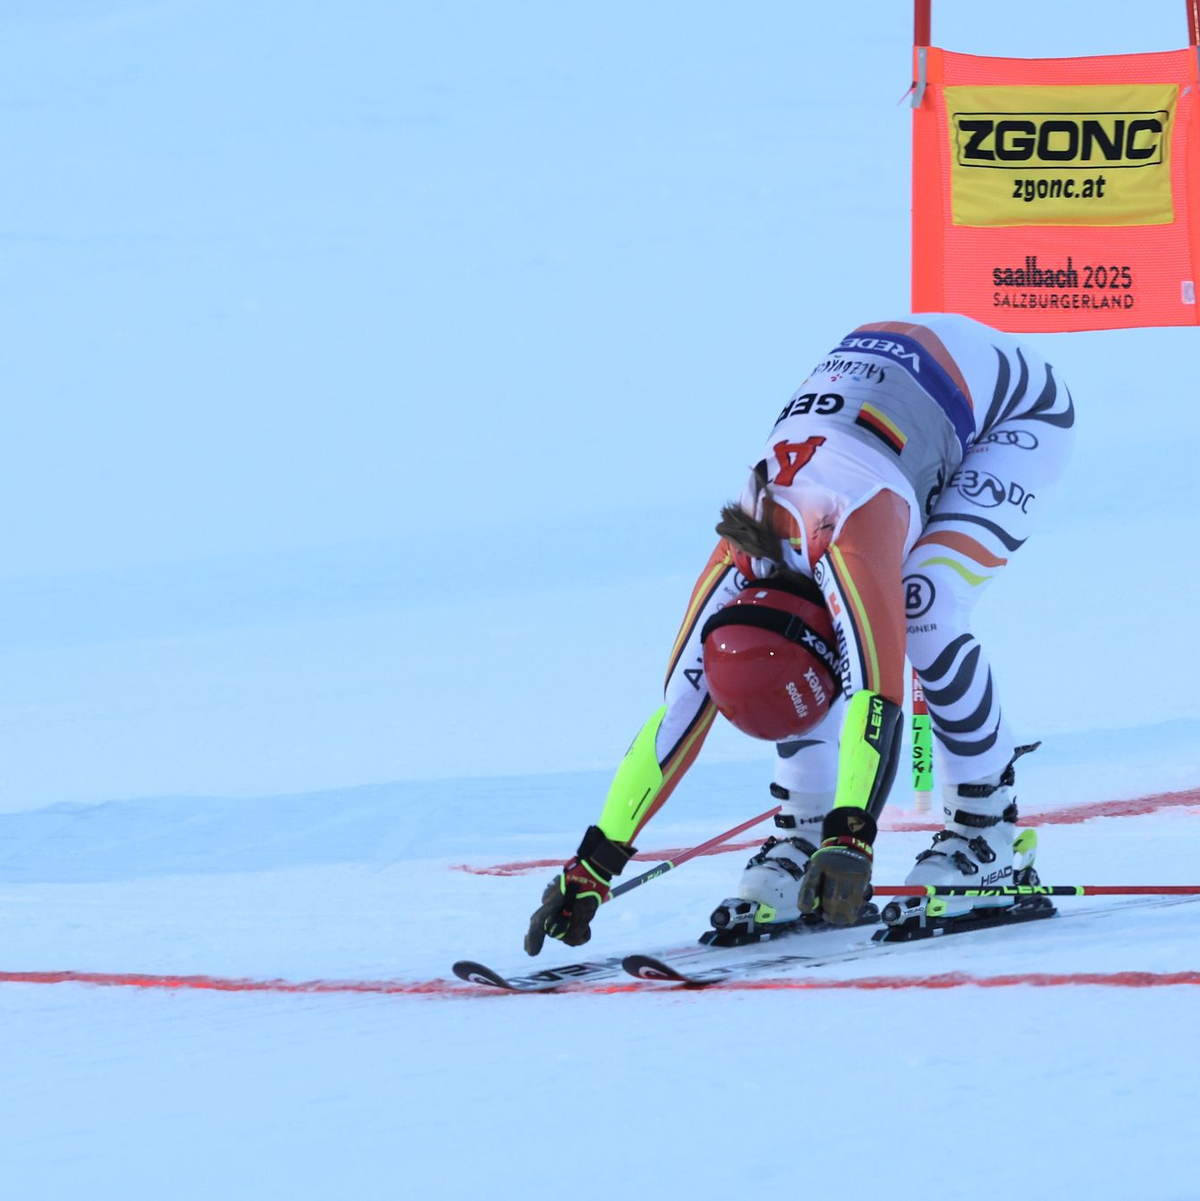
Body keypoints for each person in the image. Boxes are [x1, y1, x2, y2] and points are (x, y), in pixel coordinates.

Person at [525, 313, 1075, 955]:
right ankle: (800, 827)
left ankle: (990, 834)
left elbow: (877, 697)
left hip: (1015, 411)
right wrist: (594, 860)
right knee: (788, 652)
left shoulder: (846, 539)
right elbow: (678, 711)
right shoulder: (735, 565)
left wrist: (852, 839)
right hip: (897, 378)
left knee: (924, 606)